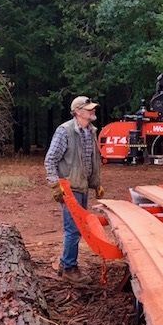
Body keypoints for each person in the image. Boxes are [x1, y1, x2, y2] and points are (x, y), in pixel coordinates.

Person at [44, 96, 105, 278]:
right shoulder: (65, 131)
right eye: (89, 109)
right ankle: (70, 268)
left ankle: (65, 263)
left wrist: (96, 184)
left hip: (83, 186)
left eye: (93, 109)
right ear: (78, 112)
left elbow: (91, 161)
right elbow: (50, 160)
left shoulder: (90, 131)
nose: (92, 111)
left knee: (79, 226)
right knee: (74, 229)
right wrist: (56, 185)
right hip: (70, 188)